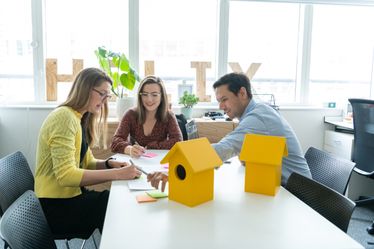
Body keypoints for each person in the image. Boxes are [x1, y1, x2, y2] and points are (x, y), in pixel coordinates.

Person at [148, 72, 311, 189]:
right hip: (282, 187)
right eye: (219, 101)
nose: (221, 107)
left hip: (297, 194)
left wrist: (179, 170)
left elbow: (224, 148)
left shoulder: (258, 117)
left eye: (224, 99)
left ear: (242, 93)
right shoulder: (257, 113)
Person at [35, 68, 142, 239]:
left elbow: (87, 162)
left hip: (70, 198)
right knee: (116, 207)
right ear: (85, 89)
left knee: (115, 204)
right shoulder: (64, 118)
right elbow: (66, 175)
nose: (105, 101)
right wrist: (117, 174)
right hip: (54, 207)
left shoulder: (78, 117)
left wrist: (108, 164)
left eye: (107, 96)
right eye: (102, 94)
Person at [111, 75, 182, 158]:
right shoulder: (130, 114)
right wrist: (130, 149)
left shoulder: (168, 116)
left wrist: (152, 146)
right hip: (136, 161)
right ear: (140, 96)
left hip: (159, 161)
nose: (149, 99)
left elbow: (178, 141)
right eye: (145, 94)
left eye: (154, 95)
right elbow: (115, 142)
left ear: (162, 96)